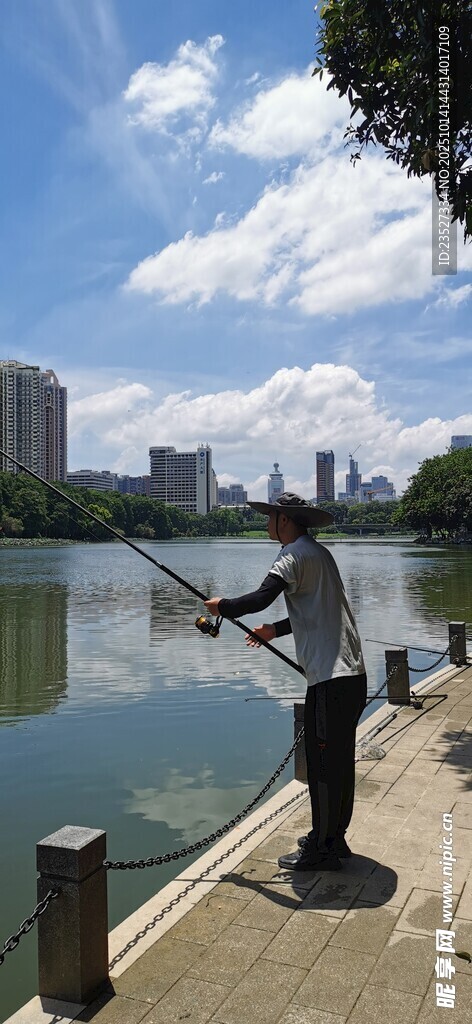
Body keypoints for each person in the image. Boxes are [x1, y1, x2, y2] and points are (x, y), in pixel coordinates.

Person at [204, 492, 367, 872]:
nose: (267, 525)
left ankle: (321, 850)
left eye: (271, 517)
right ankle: (334, 838)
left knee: (323, 767)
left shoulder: (292, 554)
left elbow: (261, 597)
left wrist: (222, 607)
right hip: (352, 675)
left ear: (285, 520)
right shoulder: (321, 555)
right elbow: (315, 613)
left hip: (329, 679)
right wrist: (274, 631)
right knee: (339, 763)